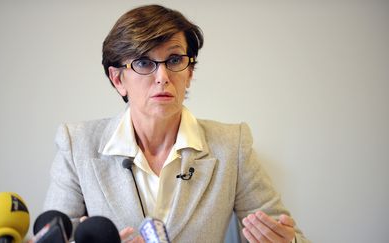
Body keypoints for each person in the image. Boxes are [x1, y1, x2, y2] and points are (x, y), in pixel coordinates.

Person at [44, 4, 310, 243]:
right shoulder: (77, 144)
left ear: (190, 71)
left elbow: (293, 236)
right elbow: (48, 237)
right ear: (117, 79)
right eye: (143, 62)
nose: (162, 76)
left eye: (174, 60)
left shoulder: (231, 146)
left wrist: (288, 242)